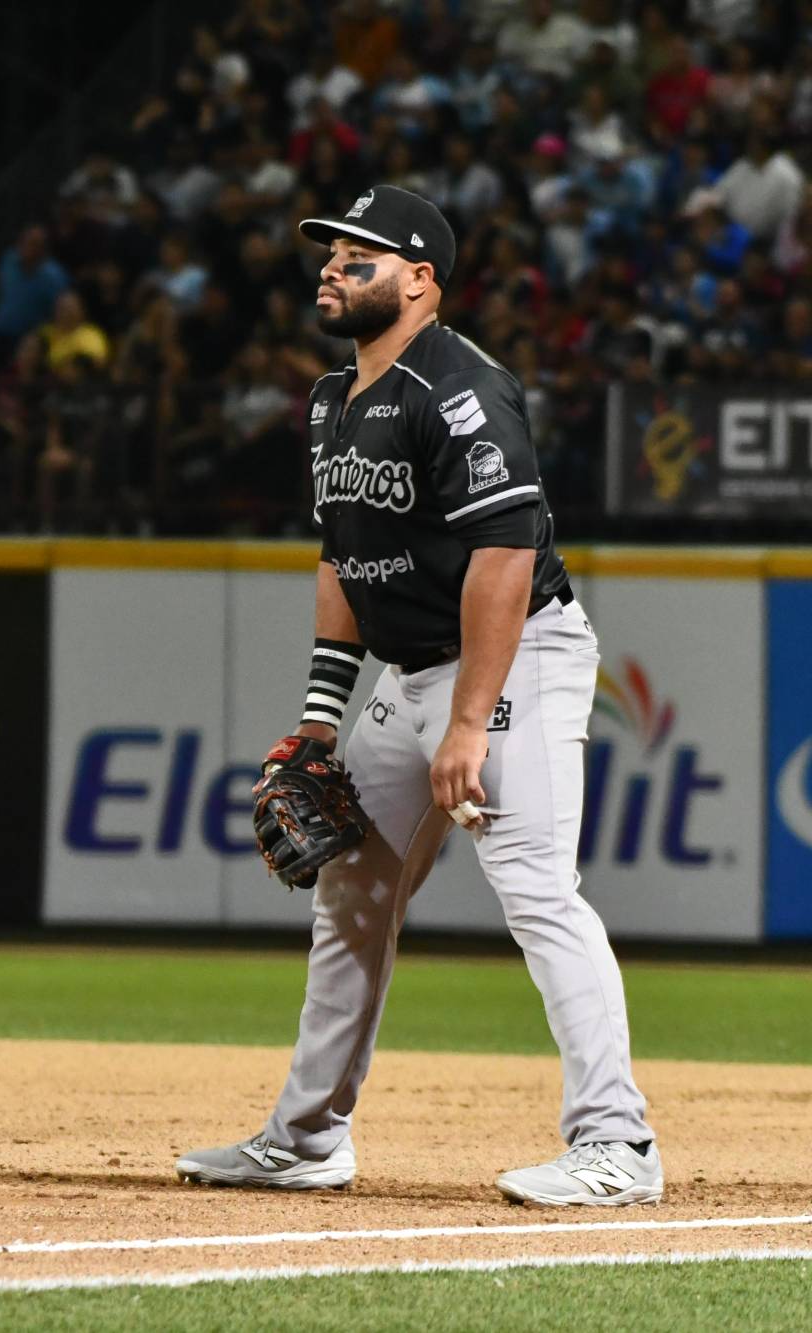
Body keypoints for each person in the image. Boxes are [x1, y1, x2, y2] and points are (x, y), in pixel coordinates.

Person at [175, 186, 660, 1206]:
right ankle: (306, 1138)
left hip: (513, 651)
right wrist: (318, 721)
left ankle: (616, 1145)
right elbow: (340, 562)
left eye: (357, 256)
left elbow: (503, 554)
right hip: (412, 669)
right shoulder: (329, 401)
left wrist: (468, 723)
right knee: (350, 888)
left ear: (418, 279)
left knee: (534, 890)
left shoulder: (461, 387)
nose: (332, 269)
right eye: (329, 254)